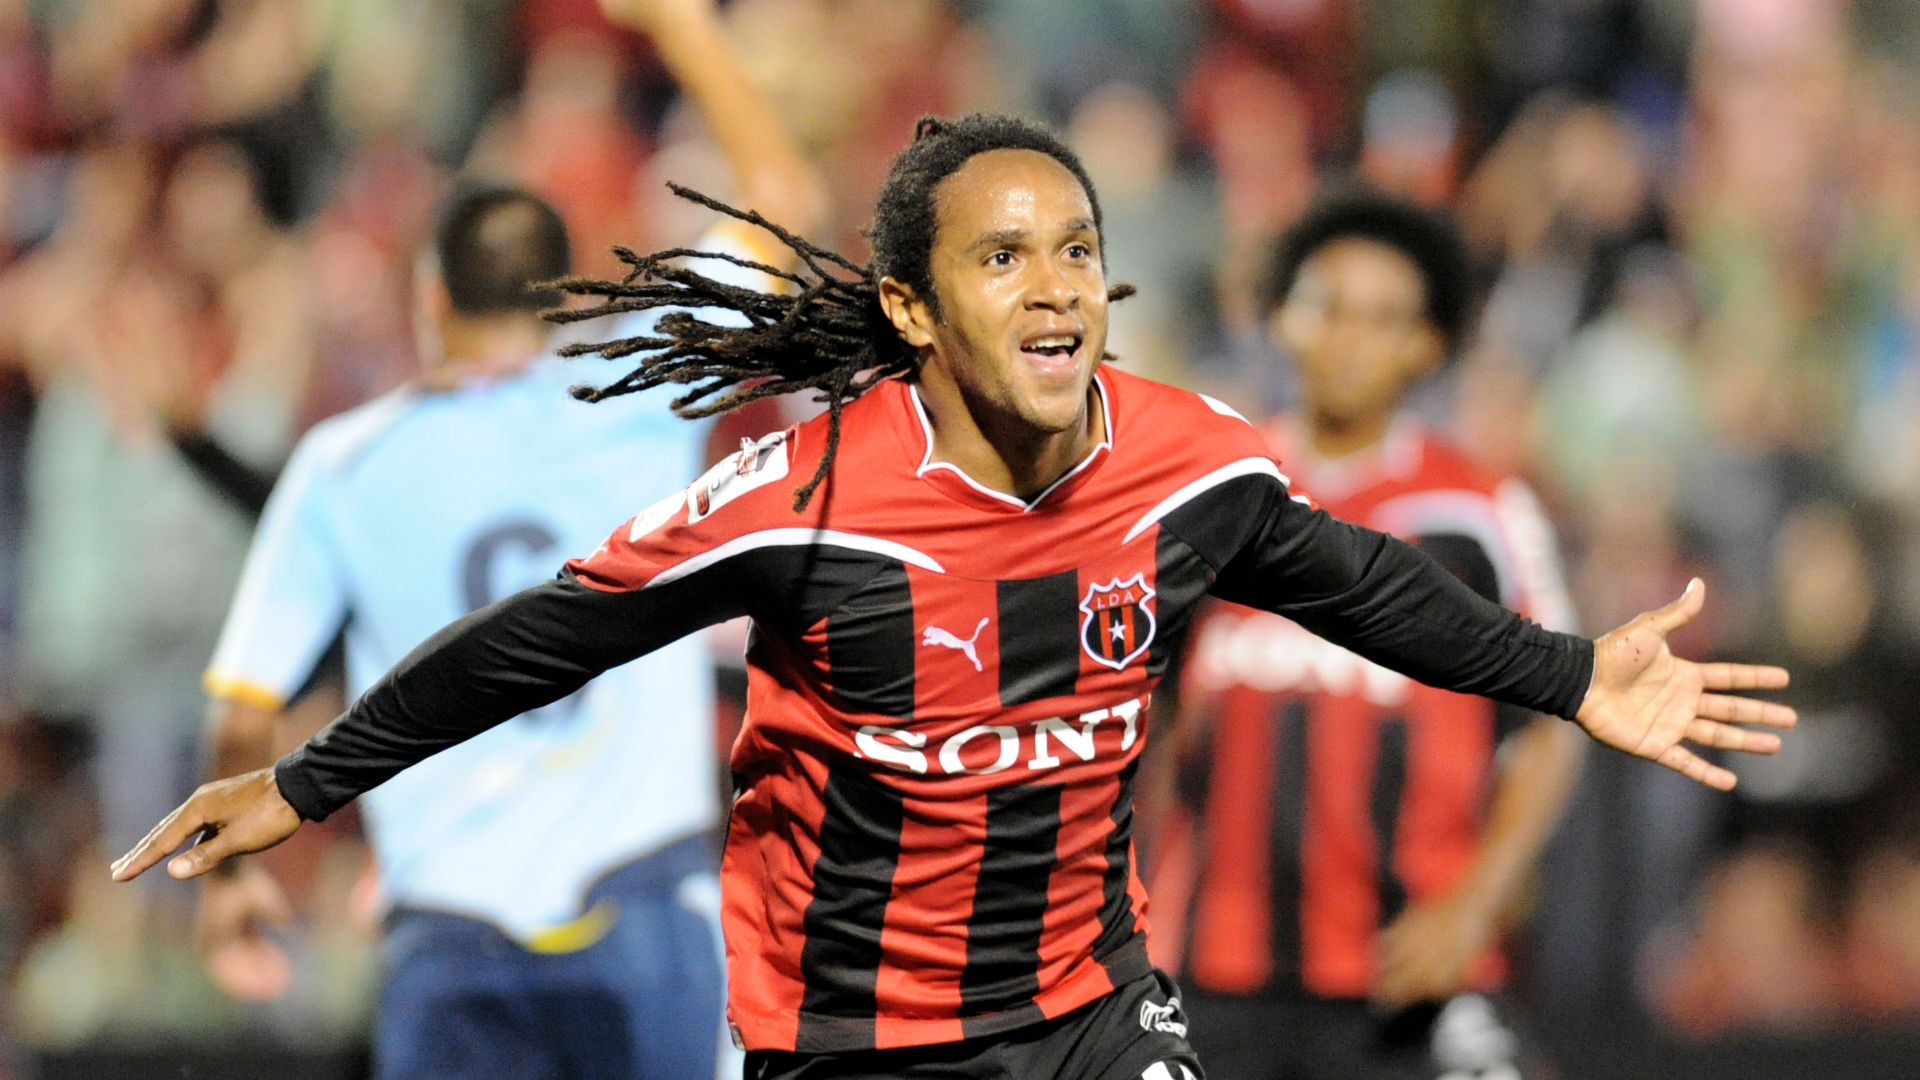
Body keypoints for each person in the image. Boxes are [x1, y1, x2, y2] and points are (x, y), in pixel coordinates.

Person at [114, 112, 1794, 1080]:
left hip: (1087, 1009)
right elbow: (541, 636)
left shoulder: (1188, 463)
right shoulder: (804, 499)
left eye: (1078, 249)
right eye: (1003, 257)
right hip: (854, 1037)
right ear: (915, 311)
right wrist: (305, 783)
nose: (1057, 288)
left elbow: (1366, 587)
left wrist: (1575, 676)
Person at [183, 2, 823, 1076]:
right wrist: (682, 29)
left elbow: (243, 709)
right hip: (642, 903)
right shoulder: (632, 392)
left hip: (450, 928)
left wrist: (229, 880)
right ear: (566, 298)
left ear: (430, 298)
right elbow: (784, 210)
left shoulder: (343, 464)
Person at [1144, 187, 1584, 1079]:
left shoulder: (1479, 515)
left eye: (1383, 318)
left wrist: (1475, 905)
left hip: (1411, 973)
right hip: (1209, 970)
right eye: (1328, 307)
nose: (1349, 338)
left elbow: (1552, 726)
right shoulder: (1207, 495)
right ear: (1281, 320)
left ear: (1427, 345)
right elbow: (1137, 711)